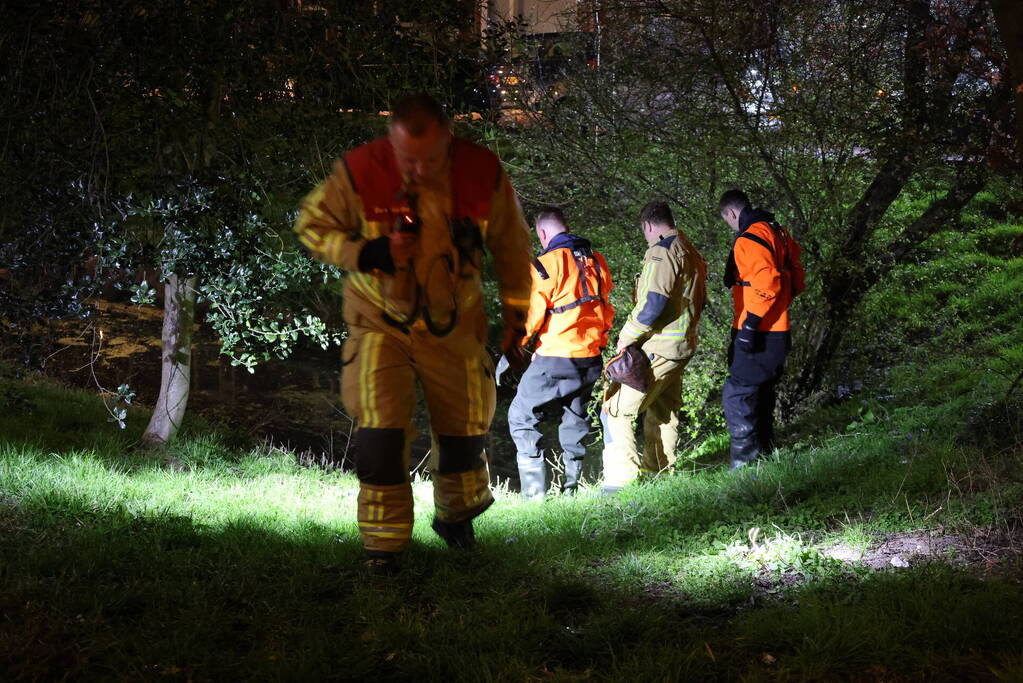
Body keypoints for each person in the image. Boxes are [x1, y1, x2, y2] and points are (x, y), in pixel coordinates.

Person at [293, 94, 532, 574]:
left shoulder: (480, 171)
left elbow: (511, 245)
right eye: (408, 159)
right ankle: (383, 549)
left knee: (465, 431)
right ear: (391, 140)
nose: (418, 171)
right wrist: (370, 252)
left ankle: (456, 518)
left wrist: (517, 317)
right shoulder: (360, 170)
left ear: (449, 137)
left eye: (429, 160)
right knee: (380, 435)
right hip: (379, 324)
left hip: (454, 324)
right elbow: (312, 226)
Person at [507, 207, 614, 499]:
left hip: (555, 356)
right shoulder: (597, 261)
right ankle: (570, 490)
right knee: (575, 417)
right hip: (590, 357)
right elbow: (606, 308)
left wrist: (512, 348)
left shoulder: (544, 264)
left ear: (542, 233)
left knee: (520, 415)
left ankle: (534, 495)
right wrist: (600, 342)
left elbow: (530, 317)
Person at [600, 201, 707, 493]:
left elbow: (652, 304)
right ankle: (657, 473)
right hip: (682, 345)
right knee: (663, 408)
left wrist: (626, 338)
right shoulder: (690, 251)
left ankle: (619, 484)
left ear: (648, 225)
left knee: (615, 410)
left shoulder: (661, 252)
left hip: (660, 345)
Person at [718, 189, 806, 470]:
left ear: (731, 213)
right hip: (779, 329)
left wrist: (750, 325)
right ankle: (765, 456)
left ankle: (744, 467)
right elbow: (796, 279)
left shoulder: (749, 238)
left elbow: (767, 282)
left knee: (738, 393)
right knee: (762, 392)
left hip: (760, 330)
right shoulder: (776, 230)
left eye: (727, 220)